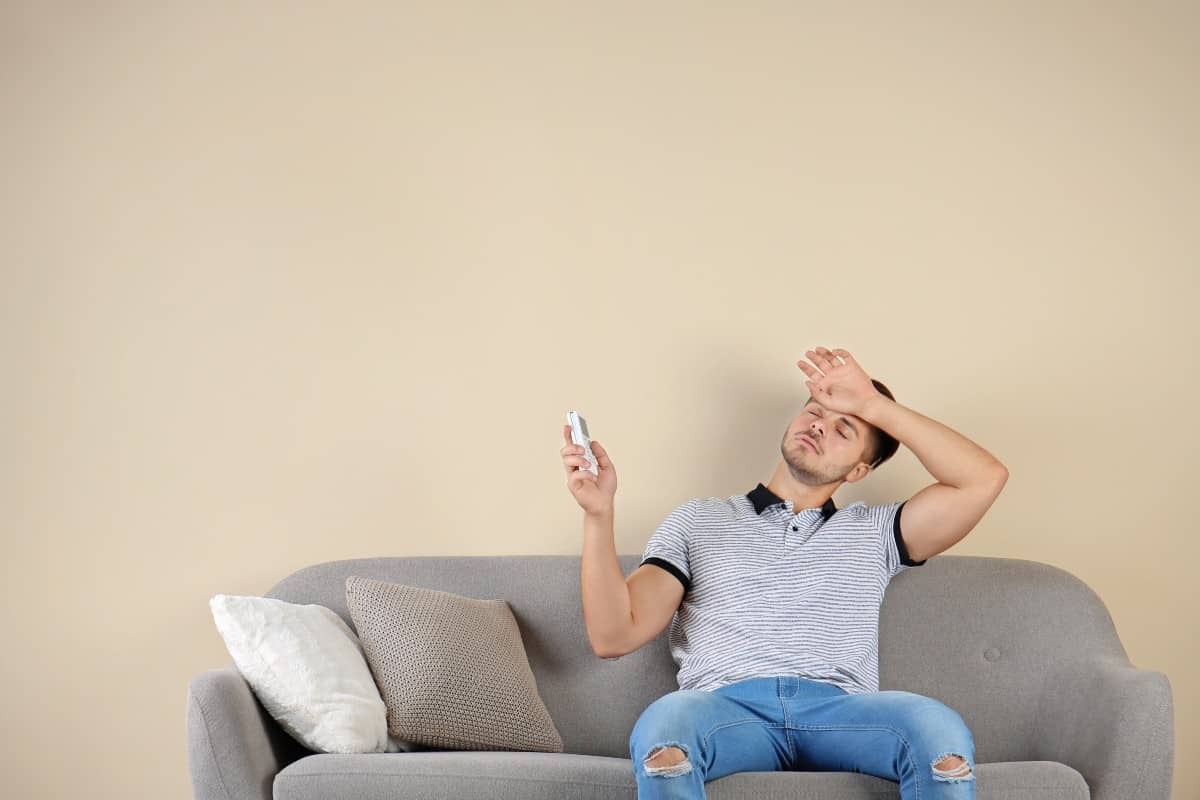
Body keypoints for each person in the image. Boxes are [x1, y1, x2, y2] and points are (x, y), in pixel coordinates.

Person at [559, 346, 1008, 799]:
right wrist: (599, 514)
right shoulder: (699, 520)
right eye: (815, 412)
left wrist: (871, 404)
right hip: (726, 710)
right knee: (665, 730)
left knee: (939, 733)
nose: (819, 426)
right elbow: (613, 636)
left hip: (842, 713)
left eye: (843, 428)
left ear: (859, 469)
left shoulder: (875, 531)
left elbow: (982, 478)